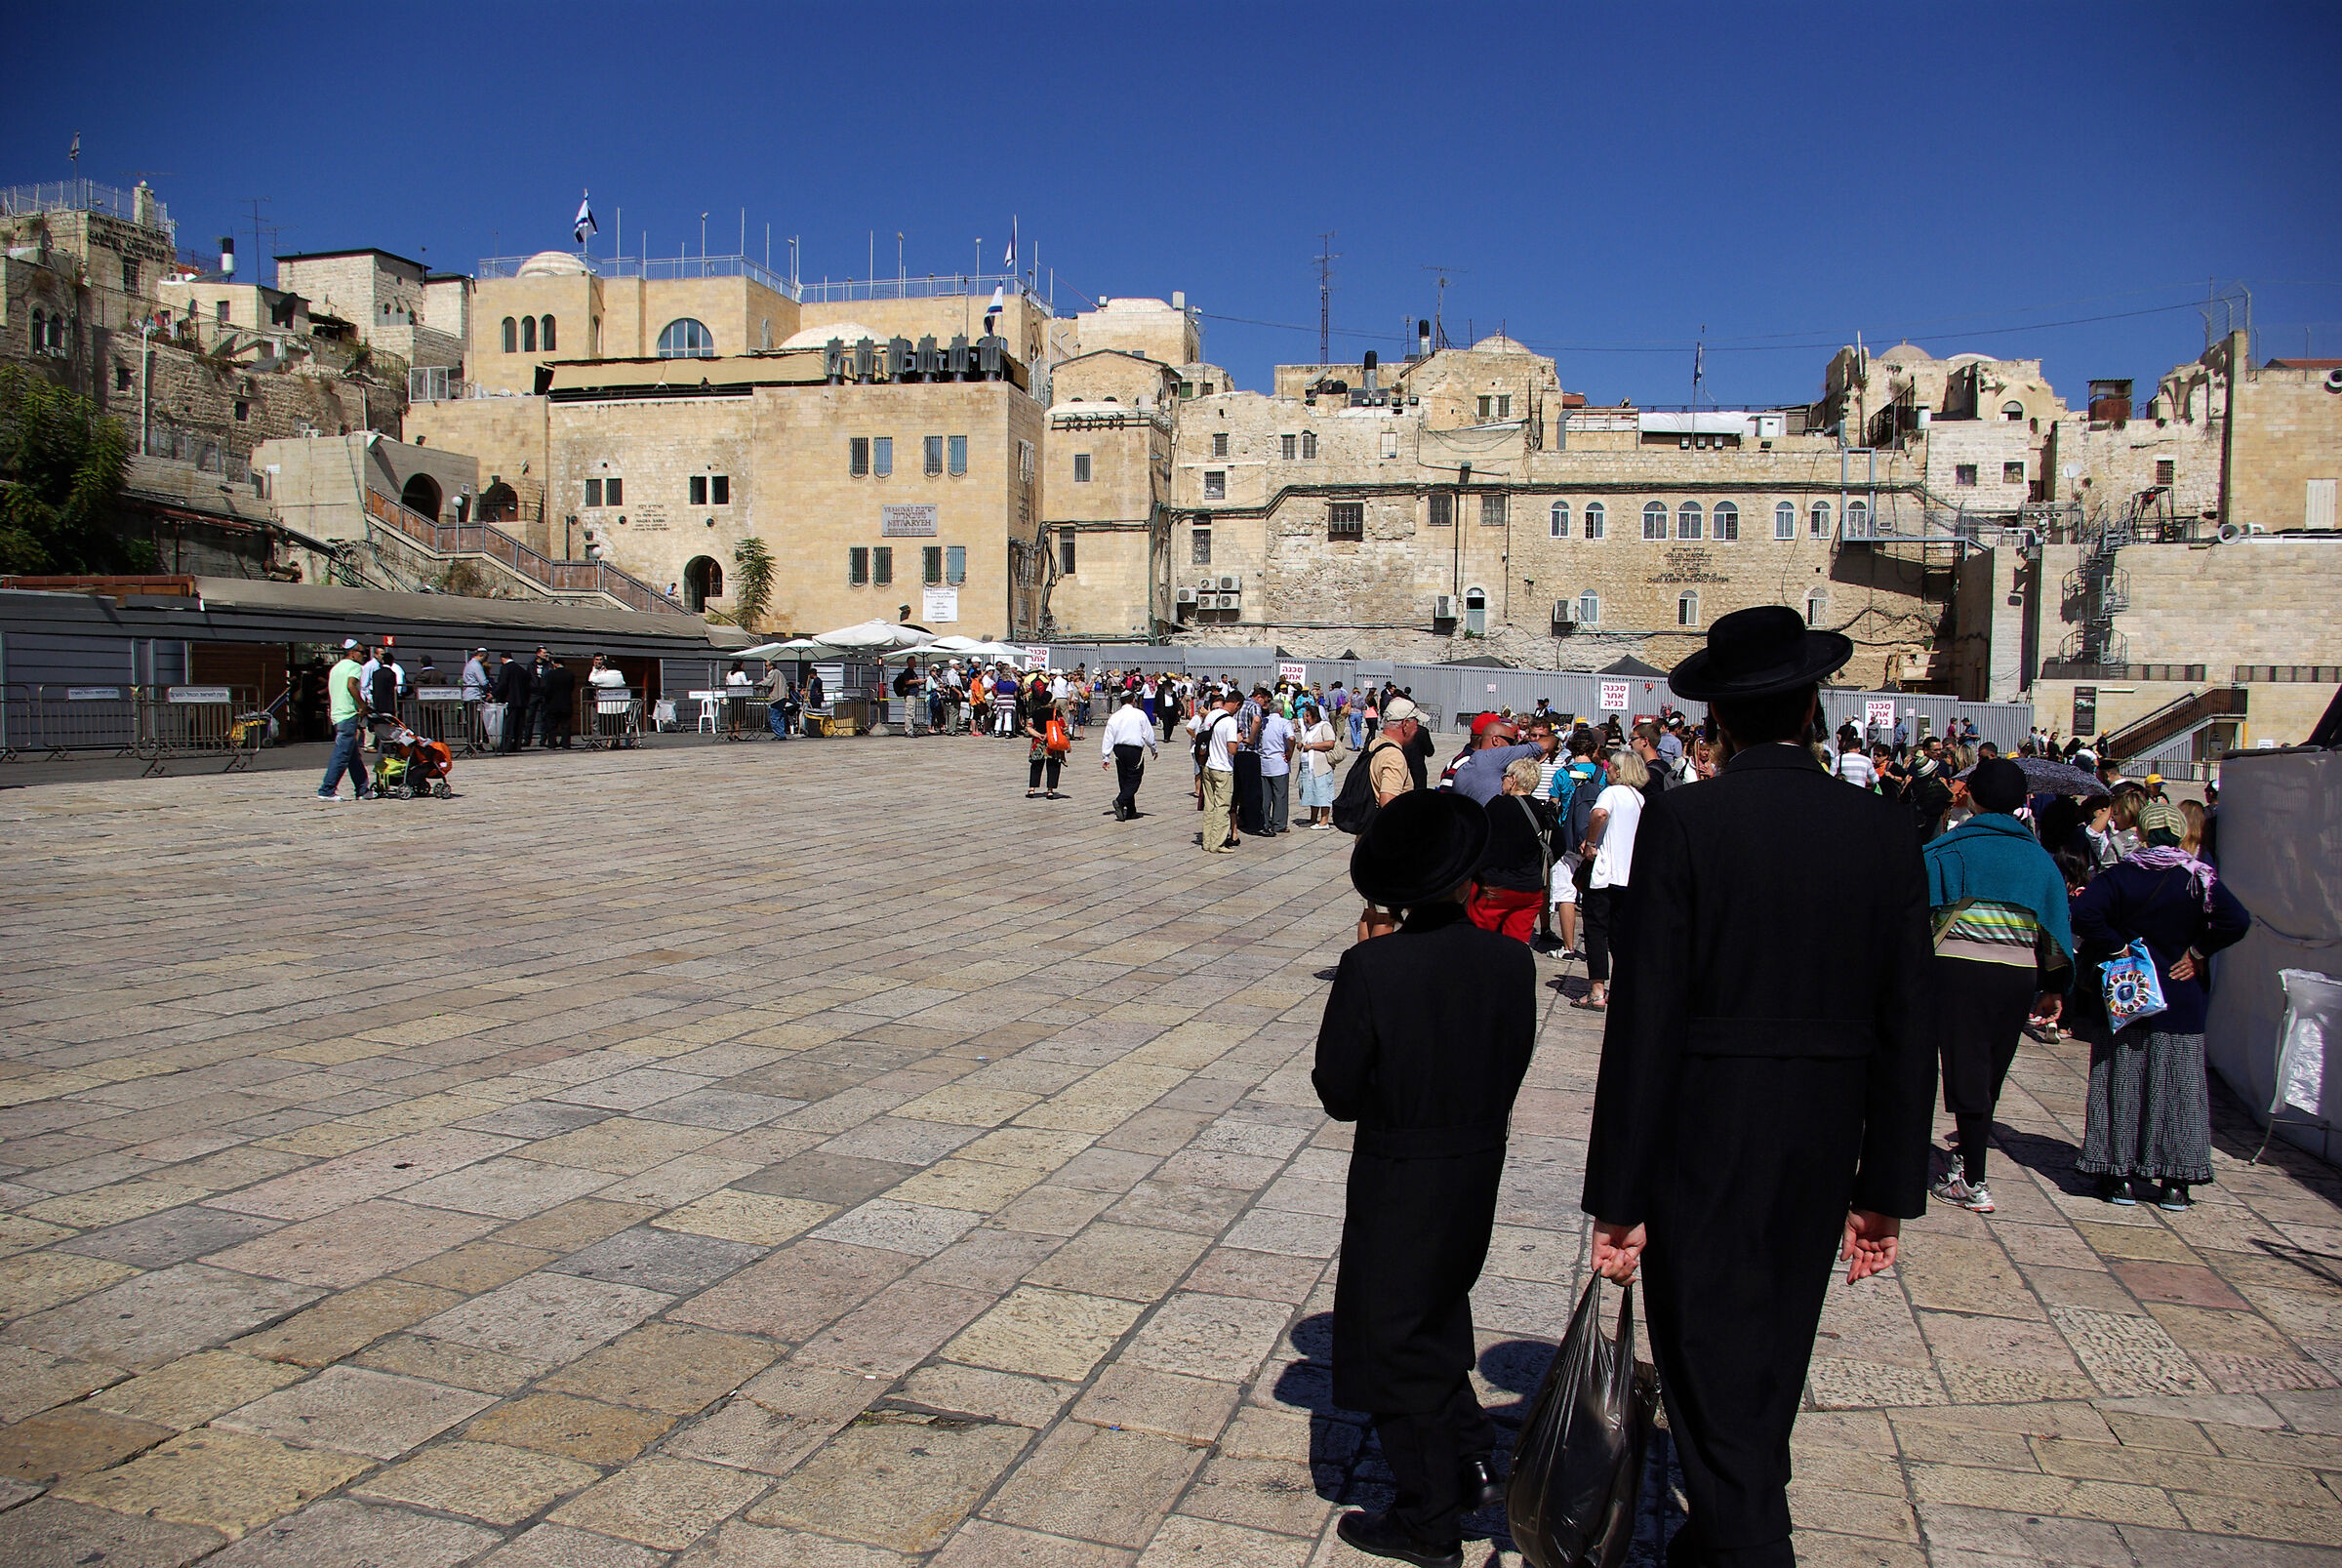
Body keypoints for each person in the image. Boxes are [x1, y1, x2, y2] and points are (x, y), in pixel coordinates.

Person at [1584, 605, 1934, 1568]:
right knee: (1772, 1354)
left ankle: (1751, 1544)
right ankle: (1723, 1535)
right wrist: (1884, 1190)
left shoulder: (1689, 820)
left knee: (1705, 1362)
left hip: (1705, 1137)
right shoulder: (1881, 827)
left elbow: (1647, 1019)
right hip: (1822, 1140)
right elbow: (1911, 1024)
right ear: (1815, 707)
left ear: (1721, 719)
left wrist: (1620, 1195)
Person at [1315, 791, 1536, 1568]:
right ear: (1466, 878)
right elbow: (1512, 1064)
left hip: (1398, 1167)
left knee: (1390, 1337)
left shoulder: (1372, 966)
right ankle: (1469, 1456)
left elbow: (1338, 1091)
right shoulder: (1513, 961)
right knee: (1438, 1310)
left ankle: (1430, 1512)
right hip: (1476, 1164)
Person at [2072, 800, 2251, 1210]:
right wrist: (2199, 951)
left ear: (2145, 833)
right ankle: (2175, 1181)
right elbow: (2236, 920)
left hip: (2128, 996)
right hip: (2180, 995)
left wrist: (2117, 948)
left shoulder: (2122, 875)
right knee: (2179, 1089)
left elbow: (2084, 913)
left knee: (2122, 1083)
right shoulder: (2199, 878)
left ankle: (2118, 1176)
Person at [1920, 758, 2076, 1213]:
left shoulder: (1947, 850)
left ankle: (1972, 1178)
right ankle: (1970, 1159)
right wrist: (2054, 987)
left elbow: (1914, 912)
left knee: (1962, 1064)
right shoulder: (2039, 861)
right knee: (1990, 1069)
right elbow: (2055, 929)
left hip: (1954, 969)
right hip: (2016, 975)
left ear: (1971, 797)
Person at [1574, 747, 1647, 1012]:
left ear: (1618, 770)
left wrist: (1591, 842)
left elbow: (1599, 814)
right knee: (1619, 933)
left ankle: (1596, 990)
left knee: (1595, 930)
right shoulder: (1638, 798)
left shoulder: (1611, 793)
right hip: (1628, 875)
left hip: (1605, 872)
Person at [1353, 698, 1430, 942]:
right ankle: (1374, 967)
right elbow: (1388, 798)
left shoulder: (1375, 744)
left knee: (1371, 909)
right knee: (1387, 913)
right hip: (1384, 842)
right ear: (1405, 724)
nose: (1417, 729)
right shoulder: (1395, 756)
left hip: (1366, 836)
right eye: (1416, 723)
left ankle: (1362, 960)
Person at [1468, 757, 1552, 945]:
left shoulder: (1497, 804)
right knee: (1516, 947)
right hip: (1529, 888)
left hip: (1494, 886)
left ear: (1513, 780)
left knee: (1480, 943)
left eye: (1504, 777)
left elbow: (1479, 838)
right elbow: (1558, 846)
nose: (1502, 781)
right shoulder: (1542, 809)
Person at [314, 638, 369, 800]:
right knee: (342, 754)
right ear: (352, 653)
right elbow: (351, 685)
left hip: (337, 713)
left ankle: (362, 789)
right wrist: (362, 706)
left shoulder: (336, 668)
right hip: (348, 713)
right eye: (361, 652)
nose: (364, 656)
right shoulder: (355, 667)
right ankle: (327, 789)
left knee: (352, 755)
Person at [1196, 688, 1244, 852]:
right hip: (1223, 768)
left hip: (1208, 765)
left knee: (1209, 806)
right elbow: (1232, 750)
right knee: (1222, 807)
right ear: (1237, 704)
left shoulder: (1211, 716)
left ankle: (1207, 841)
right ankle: (1217, 843)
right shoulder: (1230, 722)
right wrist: (1238, 740)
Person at [1101, 689, 1157, 820]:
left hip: (1119, 750)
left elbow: (1108, 737)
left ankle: (1131, 810)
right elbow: (1148, 734)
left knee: (1124, 779)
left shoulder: (1115, 716)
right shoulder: (1140, 714)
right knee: (1134, 779)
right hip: (1134, 750)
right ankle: (1120, 801)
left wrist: (1106, 756)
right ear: (1133, 700)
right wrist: (1153, 748)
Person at [1298, 700, 1341, 828]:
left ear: (1315, 716)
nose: (1305, 718)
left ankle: (1324, 821)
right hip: (1309, 767)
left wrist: (1311, 746)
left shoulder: (1324, 726)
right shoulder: (1310, 729)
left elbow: (1329, 743)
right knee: (1312, 791)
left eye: (1308, 716)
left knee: (1322, 792)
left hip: (1321, 766)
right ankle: (1313, 818)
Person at [1023, 678, 1068, 799]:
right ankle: (1050, 790)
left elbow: (1028, 727)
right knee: (1052, 765)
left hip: (1038, 742)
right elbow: (1062, 726)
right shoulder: (1055, 713)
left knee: (1036, 765)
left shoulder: (1035, 712)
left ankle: (1031, 789)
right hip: (1052, 742)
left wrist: (1038, 735)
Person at [1257, 699, 1296, 834]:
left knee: (1266, 796)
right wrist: (1290, 752)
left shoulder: (1263, 722)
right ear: (1280, 711)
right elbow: (1291, 738)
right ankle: (1279, 823)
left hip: (1264, 762)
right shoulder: (1284, 722)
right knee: (1280, 795)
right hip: (1279, 762)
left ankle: (1265, 821)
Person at [538, 654, 575, 749]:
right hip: (566, 703)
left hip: (552, 703)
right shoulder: (570, 674)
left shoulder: (550, 674)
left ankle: (552, 743)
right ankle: (566, 744)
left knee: (552, 725)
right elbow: (571, 688)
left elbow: (547, 689)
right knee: (565, 725)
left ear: (556, 664)